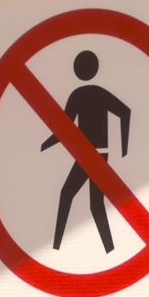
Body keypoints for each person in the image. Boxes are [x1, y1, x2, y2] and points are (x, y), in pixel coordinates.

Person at [46, 49, 132, 251]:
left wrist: (45, 145)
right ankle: (110, 250)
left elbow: (63, 129)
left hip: (88, 155)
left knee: (67, 194)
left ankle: (55, 248)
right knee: (95, 205)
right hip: (100, 154)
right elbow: (125, 113)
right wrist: (123, 148)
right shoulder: (98, 93)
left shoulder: (78, 94)